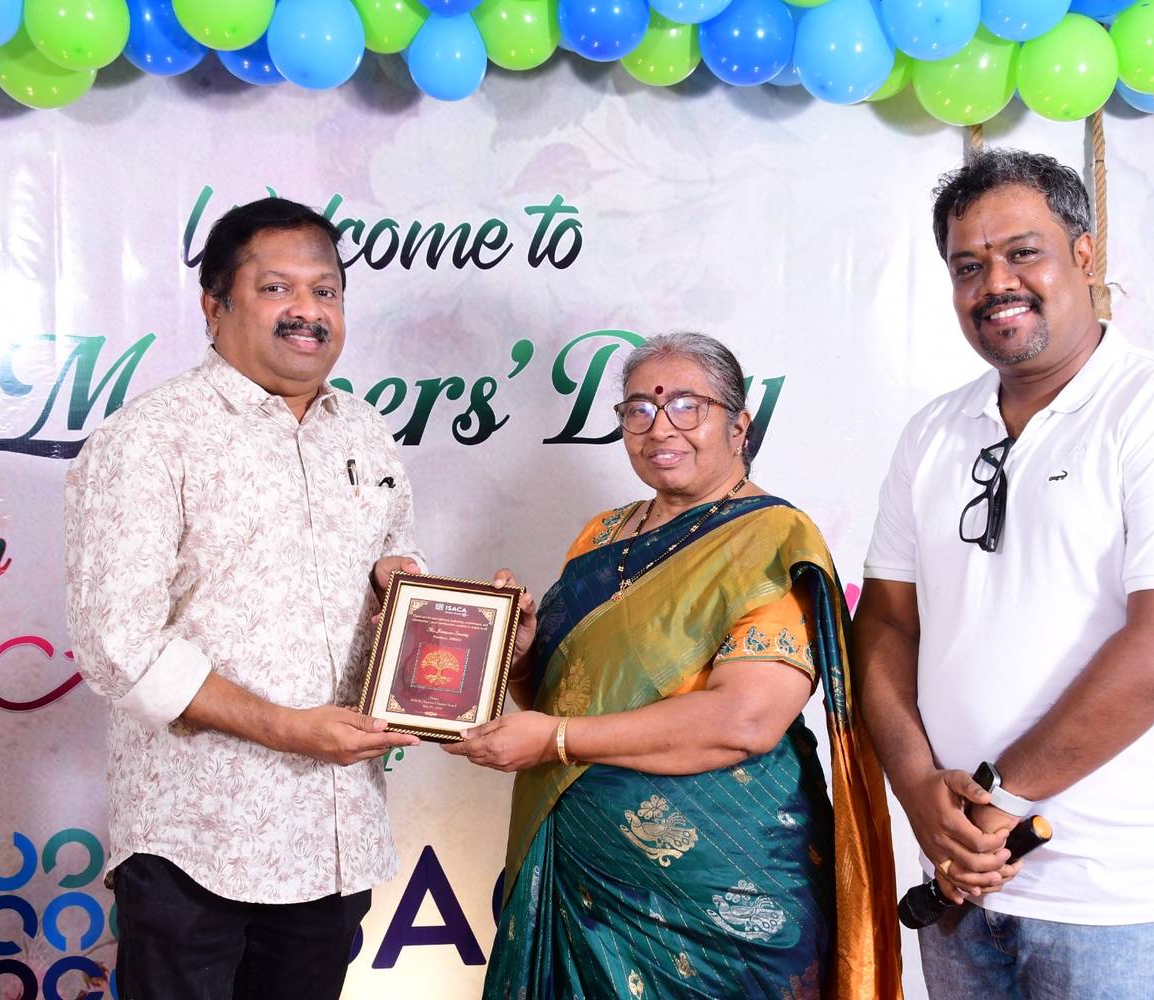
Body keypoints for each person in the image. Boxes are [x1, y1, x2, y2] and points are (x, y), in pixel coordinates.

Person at [852, 149, 1154, 999]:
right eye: (969, 266)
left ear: (1084, 254)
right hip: (962, 881)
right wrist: (919, 790)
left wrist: (1000, 799)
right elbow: (885, 623)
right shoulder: (932, 432)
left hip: (1119, 896)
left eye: (1022, 252)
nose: (995, 283)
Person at [444, 332, 903, 999]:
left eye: (687, 406)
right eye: (638, 410)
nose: (660, 428)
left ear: (739, 425)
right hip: (584, 873)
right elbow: (566, 696)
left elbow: (745, 721)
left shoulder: (772, 538)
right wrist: (518, 659)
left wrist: (555, 741)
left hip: (721, 890)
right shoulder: (600, 535)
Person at [65, 197, 426, 998]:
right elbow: (119, 645)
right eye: (276, 288)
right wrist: (288, 729)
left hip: (336, 835)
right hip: (198, 844)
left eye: (325, 291)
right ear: (214, 306)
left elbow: (394, 567)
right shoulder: (149, 437)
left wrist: (460, 627)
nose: (307, 310)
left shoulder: (363, 431)